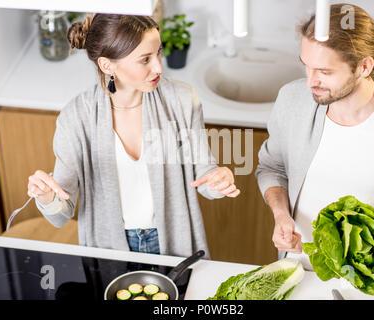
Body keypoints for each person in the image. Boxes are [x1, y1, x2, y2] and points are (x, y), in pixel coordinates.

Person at [27, 14, 240, 259]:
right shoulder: (76, 116)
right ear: (107, 65)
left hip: (174, 241)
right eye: (145, 59)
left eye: (158, 53)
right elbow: (60, 215)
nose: (159, 67)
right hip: (107, 249)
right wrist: (45, 196)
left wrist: (217, 180)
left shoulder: (181, 99)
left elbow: (204, 174)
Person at [256, 4, 374, 270]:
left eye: (324, 71)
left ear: (364, 66)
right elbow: (271, 168)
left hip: (371, 278)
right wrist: (281, 214)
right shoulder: (292, 99)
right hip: (297, 270)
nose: (310, 81)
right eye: (306, 66)